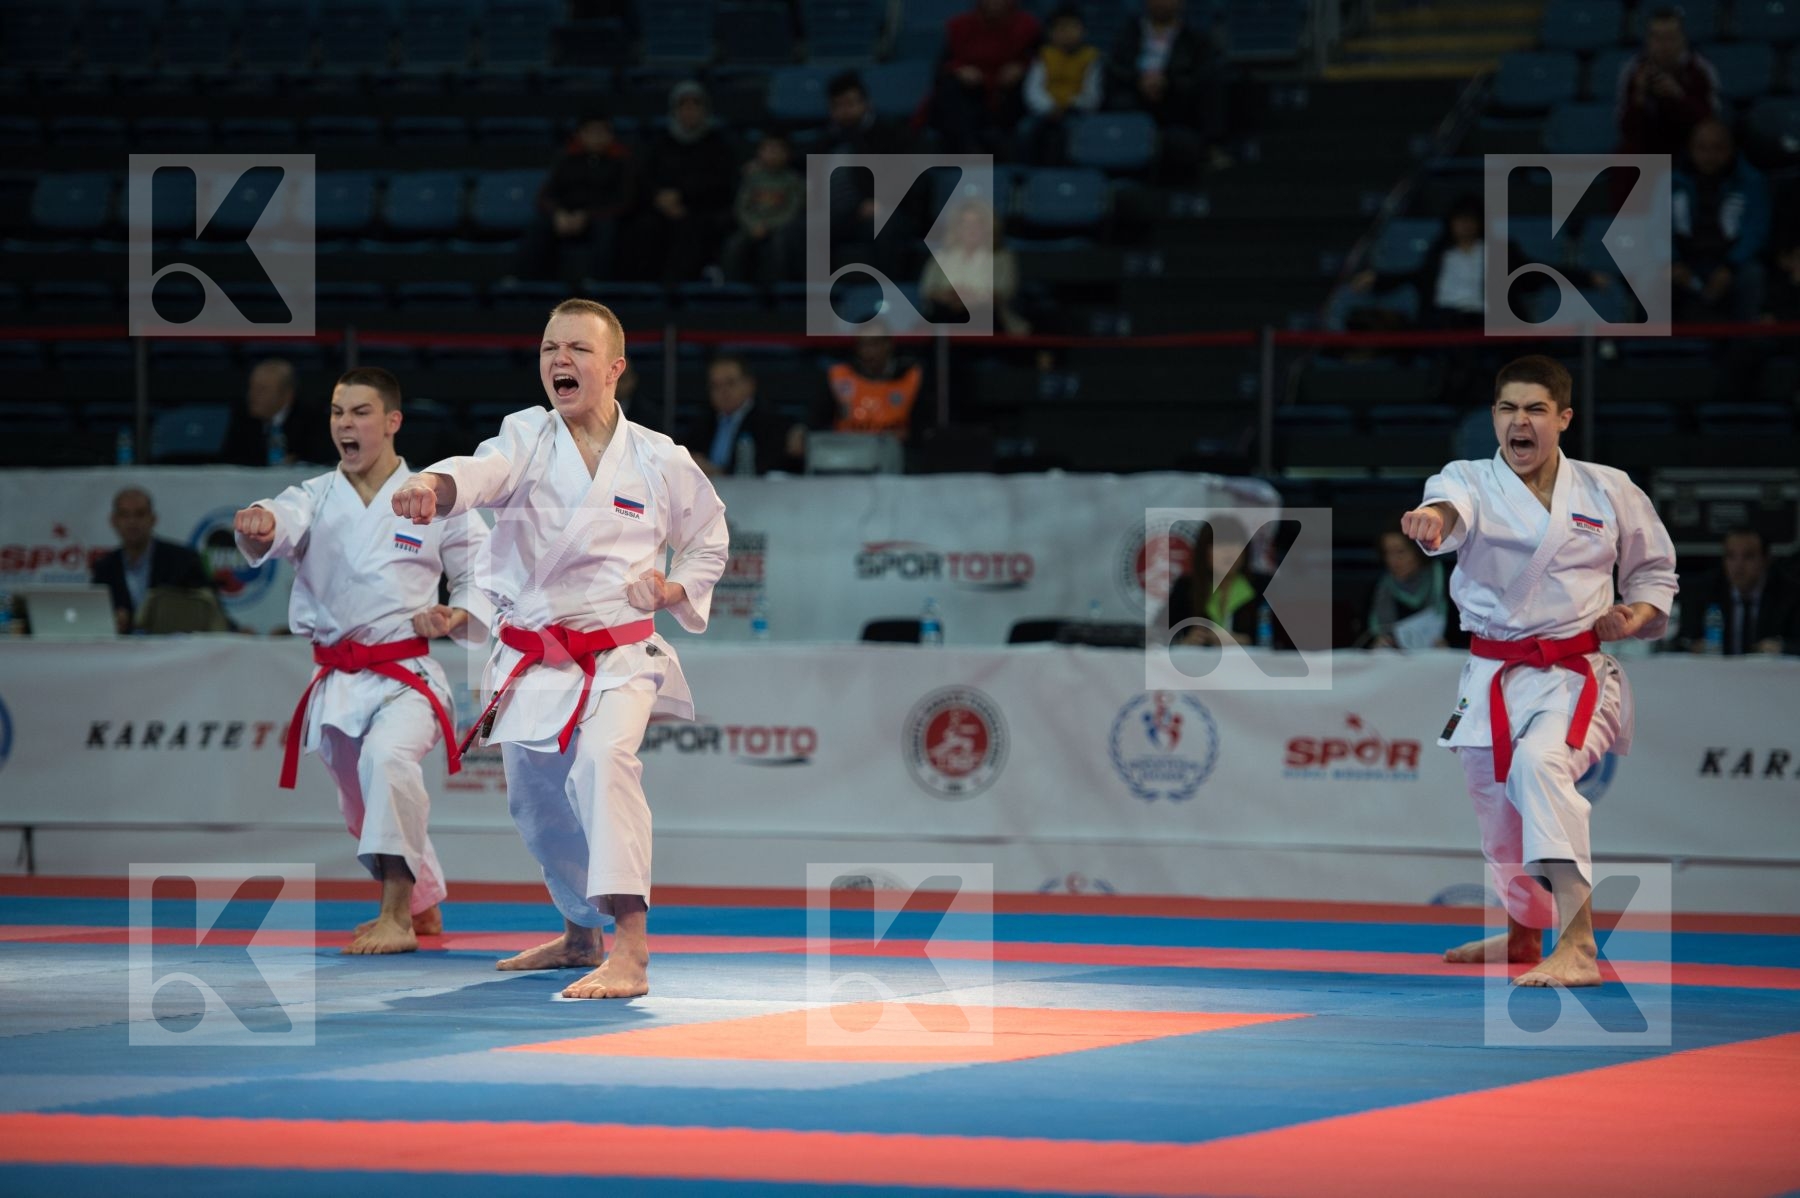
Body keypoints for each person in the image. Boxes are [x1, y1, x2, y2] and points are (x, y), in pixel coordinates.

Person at [390, 299, 728, 999]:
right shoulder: (525, 438)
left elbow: (709, 539)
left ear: (614, 368)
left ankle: (630, 948)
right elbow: (477, 473)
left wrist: (673, 589)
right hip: (534, 655)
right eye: (549, 349)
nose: (559, 361)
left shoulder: (659, 457)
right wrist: (433, 484)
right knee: (536, 804)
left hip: (619, 650)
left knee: (605, 764)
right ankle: (581, 933)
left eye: (577, 348)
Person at [1401, 355, 1678, 987]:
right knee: (1499, 826)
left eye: (1534, 410)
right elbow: (1447, 513)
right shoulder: (1467, 479)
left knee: (1539, 766)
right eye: (1506, 409)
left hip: (1574, 672)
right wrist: (1432, 522)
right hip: (1491, 677)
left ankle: (1577, 943)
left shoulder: (1608, 489)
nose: (1518, 422)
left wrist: (1633, 615)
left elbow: (1654, 574)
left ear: (1563, 418)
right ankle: (1524, 934)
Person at [234, 367, 493, 955]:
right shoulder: (315, 497)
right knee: (362, 805)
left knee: (388, 762)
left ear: (393, 422)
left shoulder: (433, 498)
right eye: (336, 413)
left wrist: (457, 615)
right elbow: (276, 524)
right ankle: (424, 906)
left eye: (359, 413)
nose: (344, 425)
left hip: (408, 676)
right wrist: (259, 524)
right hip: (338, 680)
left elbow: (483, 571)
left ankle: (396, 916)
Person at [622, 81, 737, 284]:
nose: (689, 110)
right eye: (684, 105)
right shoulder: (659, 143)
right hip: (659, 209)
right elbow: (644, 178)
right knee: (643, 227)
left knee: (693, 229)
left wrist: (683, 196)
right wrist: (659, 197)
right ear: (674, 110)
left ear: (705, 110)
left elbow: (722, 183)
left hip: (700, 209)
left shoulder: (718, 145)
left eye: (695, 105)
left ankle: (681, 289)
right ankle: (643, 291)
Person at [1106, 0, 1227, 182]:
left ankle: (1211, 148)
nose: (1162, 3)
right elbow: (1117, 68)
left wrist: (1167, 82)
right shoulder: (1128, 34)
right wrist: (1140, 80)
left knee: (1212, 83)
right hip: (1135, 99)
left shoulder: (1195, 39)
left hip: (1178, 104)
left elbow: (1199, 74)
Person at [514, 113, 636, 286]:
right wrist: (558, 214)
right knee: (539, 225)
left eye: (602, 132)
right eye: (591, 132)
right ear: (580, 134)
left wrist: (587, 215)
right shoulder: (566, 159)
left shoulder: (622, 161)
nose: (597, 137)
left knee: (608, 229)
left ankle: (598, 285)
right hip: (566, 216)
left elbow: (625, 201)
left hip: (601, 218)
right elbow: (544, 196)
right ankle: (521, 282)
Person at [1671, 118, 1770, 323]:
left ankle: (1745, 347)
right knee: (1651, 277)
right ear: (1690, 149)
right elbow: (1656, 230)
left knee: (1753, 275)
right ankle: (1656, 351)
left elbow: (1756, 230)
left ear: (1731, 149)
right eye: (1702, 148)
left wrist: (1730, 267)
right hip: (1685, 261)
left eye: (1718, 147)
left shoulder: (1751, 181)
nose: (1710, 156)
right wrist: (1673, 262)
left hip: (1732, 262)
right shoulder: (1671, 182)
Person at [90, 486, 214, 634]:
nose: (132, 522)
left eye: (140, 514)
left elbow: (209, 606)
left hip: (172, 650)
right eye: (124, 515)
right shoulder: (104, 567)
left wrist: (235, 630)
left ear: (153, 519)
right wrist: (110, 620)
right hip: (120, 652)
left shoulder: (182, 560)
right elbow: (94, 616)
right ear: (114, 521)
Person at [928, 0, 1042, 156]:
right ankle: (969, 150)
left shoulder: (1028, 26)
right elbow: (942, 67)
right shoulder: (960, 26)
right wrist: (959, 70)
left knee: (1029, 84)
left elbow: (1042, 60)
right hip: (972, 97)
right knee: (950, 88)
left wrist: (1023, 68)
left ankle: (1008, 150)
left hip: (1008, 98)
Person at [799, 329, 931, 462]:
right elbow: (816, 415)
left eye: (875, 344)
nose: (869, 352)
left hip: (897, 455)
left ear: (889, 344)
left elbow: (924, 427)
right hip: (846, 454)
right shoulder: (840, 376)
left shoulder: (911, 377)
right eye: (863, 345)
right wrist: (801, 430)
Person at [1161, 515, 1287, 648]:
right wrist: (1184, 643)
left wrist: (1245, 642)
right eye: (1219, 545)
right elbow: (1159, 636)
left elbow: (1283, 642)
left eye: (1235, 544)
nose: (1228, 552)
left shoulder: (1265, 585)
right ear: (1204, 551)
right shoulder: (1185, 587)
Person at [1614, 7, 1718, 161]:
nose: (1663, 45)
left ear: (1682, 39)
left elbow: (1710, 125)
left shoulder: (1700, 69)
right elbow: (1627, 130)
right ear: (1648, 41)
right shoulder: (1633, 71)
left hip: (1689, 149)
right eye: (1657, 37)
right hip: (1646, 149)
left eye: (1670, 37)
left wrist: (1679, 96)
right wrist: (1639, 96)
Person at [1673, 527, 1798, 655]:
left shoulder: (1790, 595)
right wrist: (1693, 646)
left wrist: (1783, 647)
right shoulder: (1703, 591)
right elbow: (1679, 642)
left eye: (1748, 556)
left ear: (1766, 560)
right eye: (1731, 556)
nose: (1738, 565)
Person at [919, 199, 1031, 334]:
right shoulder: (941, 256)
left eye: (977, 223)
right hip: (946, 315)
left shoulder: (1002, 258)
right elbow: (928, 290)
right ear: (956, 227)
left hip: (987, 317)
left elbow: (1005, 292)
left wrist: (972, 298)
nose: (971, 229)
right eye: (965, 223)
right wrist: (951, 296)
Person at [685, 354, 798, 477]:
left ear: (749, 385)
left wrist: (721, 473)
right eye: (715, 385)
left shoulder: (770, 422)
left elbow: (765, 467)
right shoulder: (703, 421)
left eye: (730, 383)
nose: (723, 391)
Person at [721, 132, 805, 287]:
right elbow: (741, 207)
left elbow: (792, 210)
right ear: (759, 153)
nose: (772, 155)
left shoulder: (794, 181)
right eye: (768, 150)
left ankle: (778, 289)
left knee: (780, 245)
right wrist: (753, 225)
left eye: (778, 150)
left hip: (780, 229)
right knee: (734, 244)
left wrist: (769, 226)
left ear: (788, 154)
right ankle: (732, 289)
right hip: (752, 227)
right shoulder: (752, 178)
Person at [1021, 5, 1102, 165]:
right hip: (1045, 111)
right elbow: (1033, 90)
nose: (1067, 34)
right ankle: (1026, 175)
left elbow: (1092, 95)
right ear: (1051, 33)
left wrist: (1069, 105)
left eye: (1073, 28)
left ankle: (1069, 175)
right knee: (1025, 130)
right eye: (1061, 29)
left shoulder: (1091, 58)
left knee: (1070, 134)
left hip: (1077, 112)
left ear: (1084, 31)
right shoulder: (1043, 56)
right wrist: (1049, 107)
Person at [1360, 527, 1466, 650]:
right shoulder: (1378, 588)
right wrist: (1377, 643)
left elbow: (1469, 633)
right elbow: (1364, 639)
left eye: (1400, 552)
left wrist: (1450, 646)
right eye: (1387, 553)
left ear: (1418, 551)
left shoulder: (1448, 583)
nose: (1393, 560)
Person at [223, 358, 335, 467]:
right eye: (251, 388)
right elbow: (231, 461)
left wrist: (297, 463)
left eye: (262, 389)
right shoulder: (243, 417)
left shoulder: (313, 418)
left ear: (287, 395)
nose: (252, 395)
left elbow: (323, 460)